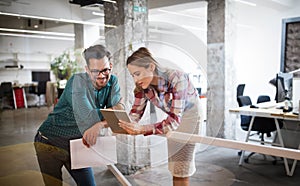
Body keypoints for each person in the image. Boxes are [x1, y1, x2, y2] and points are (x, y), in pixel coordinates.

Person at [34, 44, 124, 186]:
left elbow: (119, 113)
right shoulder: (77, 82)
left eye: (105, 70)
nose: (101, 76)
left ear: (111, 66)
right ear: (87, 70)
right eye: (95, 71)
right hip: (49, 142)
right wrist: (111, 113)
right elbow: (88, 117)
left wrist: (100, 124)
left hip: (76, 144)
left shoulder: (113, 82)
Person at [119, 47, 201, 186]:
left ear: (151, 67)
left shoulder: (177, 78)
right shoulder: (142, 87)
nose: (136, 79)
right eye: (133, 75)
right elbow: (135, 115)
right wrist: (121, 123)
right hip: (172, 116)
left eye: (138, 73)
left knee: (182, 168)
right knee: (175, 166)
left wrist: (142, 129)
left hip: (190, 116)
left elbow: (174, 122)